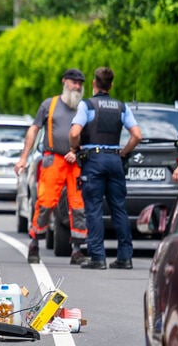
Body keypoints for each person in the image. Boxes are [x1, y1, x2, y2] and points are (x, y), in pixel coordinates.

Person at [69, 66, 142, 270]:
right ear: (111, 85)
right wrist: (123, 152)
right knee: (119, 208)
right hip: (114, 160)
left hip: (94, 161)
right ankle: (125, 257)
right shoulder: (121, 106)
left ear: (94, 83)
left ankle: (97, 257)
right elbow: (137, 135)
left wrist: (75, 148)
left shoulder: (88, 105)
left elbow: (75, 132)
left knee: (93, 209)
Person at [14, 68, 89, 266]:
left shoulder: (84, 107)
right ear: (65, 82)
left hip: (76, 162)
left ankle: (77, 250)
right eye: (74, 82)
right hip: (53, 160)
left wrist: (77, 151)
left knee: (78, 205)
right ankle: (34, 244)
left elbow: (88, 135)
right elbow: (33, 129)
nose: (77, 86)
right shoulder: (50, 104)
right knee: (45, 203)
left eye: (80, 83)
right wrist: (24, 158)